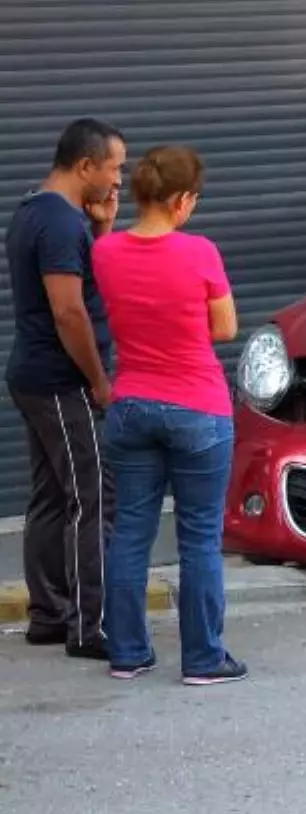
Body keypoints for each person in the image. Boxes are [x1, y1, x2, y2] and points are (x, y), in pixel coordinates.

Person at [91, 145, 248, 686]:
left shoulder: (106, 252)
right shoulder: (200, 252)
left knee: (131, 531)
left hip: (130, 404)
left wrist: (109, 223)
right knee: (200, 536)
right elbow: (225, 328)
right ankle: (204, 659)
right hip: (197, 408)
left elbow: (114, 266)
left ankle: (128, 654)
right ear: (182, 200)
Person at [4, 118, 125, 660]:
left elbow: (83, 282)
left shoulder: (37, 209)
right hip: (61, 379)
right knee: (93, 497)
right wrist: (98, 379)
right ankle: (89, 626)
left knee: (53, 496)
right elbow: (68, 309)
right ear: (85, 166)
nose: (118, 179)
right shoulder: (57, 223)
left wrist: (101, 231)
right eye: (114, 167)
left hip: (34, 375)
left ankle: (48, 616)